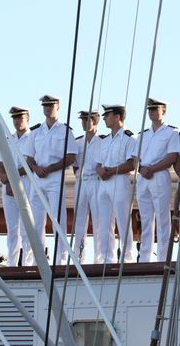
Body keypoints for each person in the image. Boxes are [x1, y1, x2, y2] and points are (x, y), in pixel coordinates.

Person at [21, 95, 79, 265]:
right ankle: (36, 260)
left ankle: (59, 259)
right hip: (38, 179)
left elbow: (71, 157)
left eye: (51, 105)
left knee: (57, 219)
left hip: (55, 177)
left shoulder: (65, 131)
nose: (47, 108)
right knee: (36, 221)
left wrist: (50, 168)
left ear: (58, 107)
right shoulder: (36, 132)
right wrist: (36, 168)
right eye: (45, 105)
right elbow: (29, 157)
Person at [136, 98, 180, 262]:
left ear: (164, 111)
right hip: (143, 177)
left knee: (163, 219)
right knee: (145, 219)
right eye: (150, 109)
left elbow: (172, 156)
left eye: (155, 109)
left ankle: (163, 258)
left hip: (160, 175)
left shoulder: (172, 133)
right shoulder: (143, 135)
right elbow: (135, 158)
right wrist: (141, 169)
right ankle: (144, 258)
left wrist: (152, 169)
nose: (152, 112)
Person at [95, 104, 138, 264]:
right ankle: (107, 258)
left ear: (117, 117)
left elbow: (131, 164)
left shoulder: (130, 138)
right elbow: (97, 164)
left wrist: (111, 171)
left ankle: (126, 258)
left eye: (107, 115)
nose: (104, 118)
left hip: (120, 181)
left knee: (123, 220)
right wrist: (100, 171)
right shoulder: (104, 141)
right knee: (104, 223)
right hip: (104, 183)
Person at [0, 107, 32, 266]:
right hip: (8, 186)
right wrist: (4, 177)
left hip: (25, 184)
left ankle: (27, 264)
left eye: (20, 117)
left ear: (27, 118)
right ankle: (12, 263)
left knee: (27, 228)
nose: (17, 121)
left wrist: (10, 177)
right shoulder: (7, 139)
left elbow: (31, 163)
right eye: (15, 118)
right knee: (12, 229)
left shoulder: (33, 138)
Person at [72, 110, 104, 264]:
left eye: (87, 119)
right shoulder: (77, 142)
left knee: (98, 220)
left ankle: (99, 258)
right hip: (81, 181)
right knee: (79, 222)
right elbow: (75, 166)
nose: (84, 122)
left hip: (96, 181)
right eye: (83, 120)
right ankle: (79, 257)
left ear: (95, 121)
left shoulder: (103, 141)